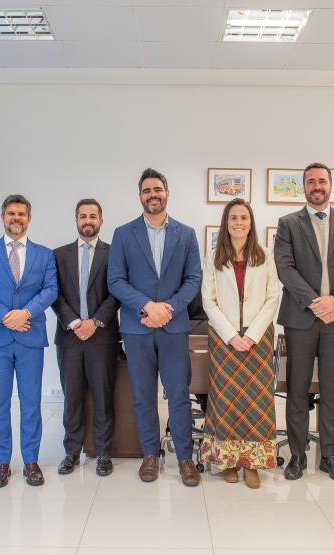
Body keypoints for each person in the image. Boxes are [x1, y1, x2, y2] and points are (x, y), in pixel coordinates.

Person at [107, 168, 202, 486]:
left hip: (174, 329)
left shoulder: (186, 234)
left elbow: (193, 279)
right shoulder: (123, 233)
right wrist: (147, 306)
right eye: (147, 190)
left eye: (157, 189)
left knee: (178, 395)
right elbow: (116, 280)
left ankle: (186, 458)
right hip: (138, 328)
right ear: (140, 196)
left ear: (167, 193)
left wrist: (169, 309)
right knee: (143, 396)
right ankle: (150, 454)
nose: (153, 194)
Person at [274, 162, 334, 482]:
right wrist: (316, 303)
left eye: (322, 181)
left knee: (332, 390)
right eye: (311, 181)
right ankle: (297, 456)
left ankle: (330, 456)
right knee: (297, 390)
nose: (317, 186)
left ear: (331, 185)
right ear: (304, 187)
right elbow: (285, 268)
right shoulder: (288, 224)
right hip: (301, 318)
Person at [0, 194, 57, 488]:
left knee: (31, 402)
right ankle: (3, 462)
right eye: (11, 213)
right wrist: (6, 316)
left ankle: (31, 461)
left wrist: (25, 313)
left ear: (29, 219)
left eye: (21, 214)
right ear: (3, 217)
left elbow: (50, 289)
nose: (16, 218)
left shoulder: (44, 255)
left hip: (30, 336)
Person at [200, 199, 281, 489]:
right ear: (226, 222)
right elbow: (207, 300)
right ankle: (229, 461)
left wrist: (252, 334)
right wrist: (232, 335)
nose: (238, 222)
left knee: (256, 402)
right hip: (225, 338)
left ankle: (252, 463)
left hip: (257, 339)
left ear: (251, 222)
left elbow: (273, 297)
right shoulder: (213, 257)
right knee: (227, 401)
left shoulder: (265, 256)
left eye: (244, 217)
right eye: (233, 217)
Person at [52, 198, 120, 477]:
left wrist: (95, 322)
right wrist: (74, 322)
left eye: (93, 216)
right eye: (83, 216)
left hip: (102, 337)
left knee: (104, 397)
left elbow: (117, 291)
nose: (88, 221)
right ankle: (71, 452)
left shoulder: (114, 253)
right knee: (72, 397)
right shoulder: (59, 255)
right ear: (76, 220)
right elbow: (53, 294)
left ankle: (103, 453)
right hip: (69, 337)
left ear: (101, 221)